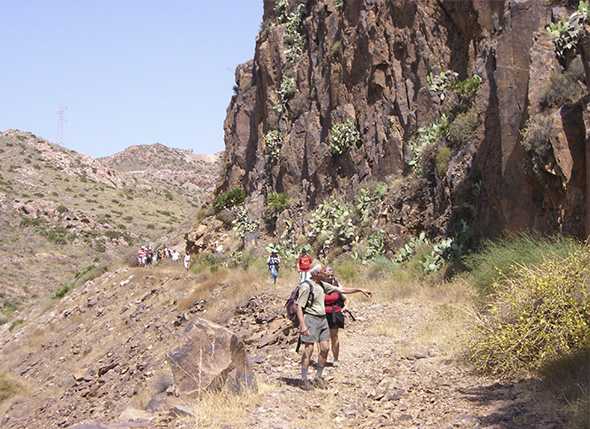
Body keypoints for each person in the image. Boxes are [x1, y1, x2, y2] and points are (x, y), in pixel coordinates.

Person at [296, 266, 371, 391]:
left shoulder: (322, 285)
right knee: (308, 349)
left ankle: (318, 377)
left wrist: (359, 290)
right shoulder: (306, 286)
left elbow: (341, 290)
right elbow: (299, 307)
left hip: (323, 319)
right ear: (315, 274)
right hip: (311, 319)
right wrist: (303, 325)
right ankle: (303, 380)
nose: (324, 274)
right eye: (321, 272)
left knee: (325, 348)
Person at [323, 266, 347, 367]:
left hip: (334, 313)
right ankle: (323, 359)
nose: (331, 277)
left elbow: (345, 298)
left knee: (334, 336)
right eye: (328, 275)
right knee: (323, 338)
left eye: (332, 275)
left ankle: (336, 359)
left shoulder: (337, 285)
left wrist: (345, 307)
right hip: (322, 314)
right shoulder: (320, 286)